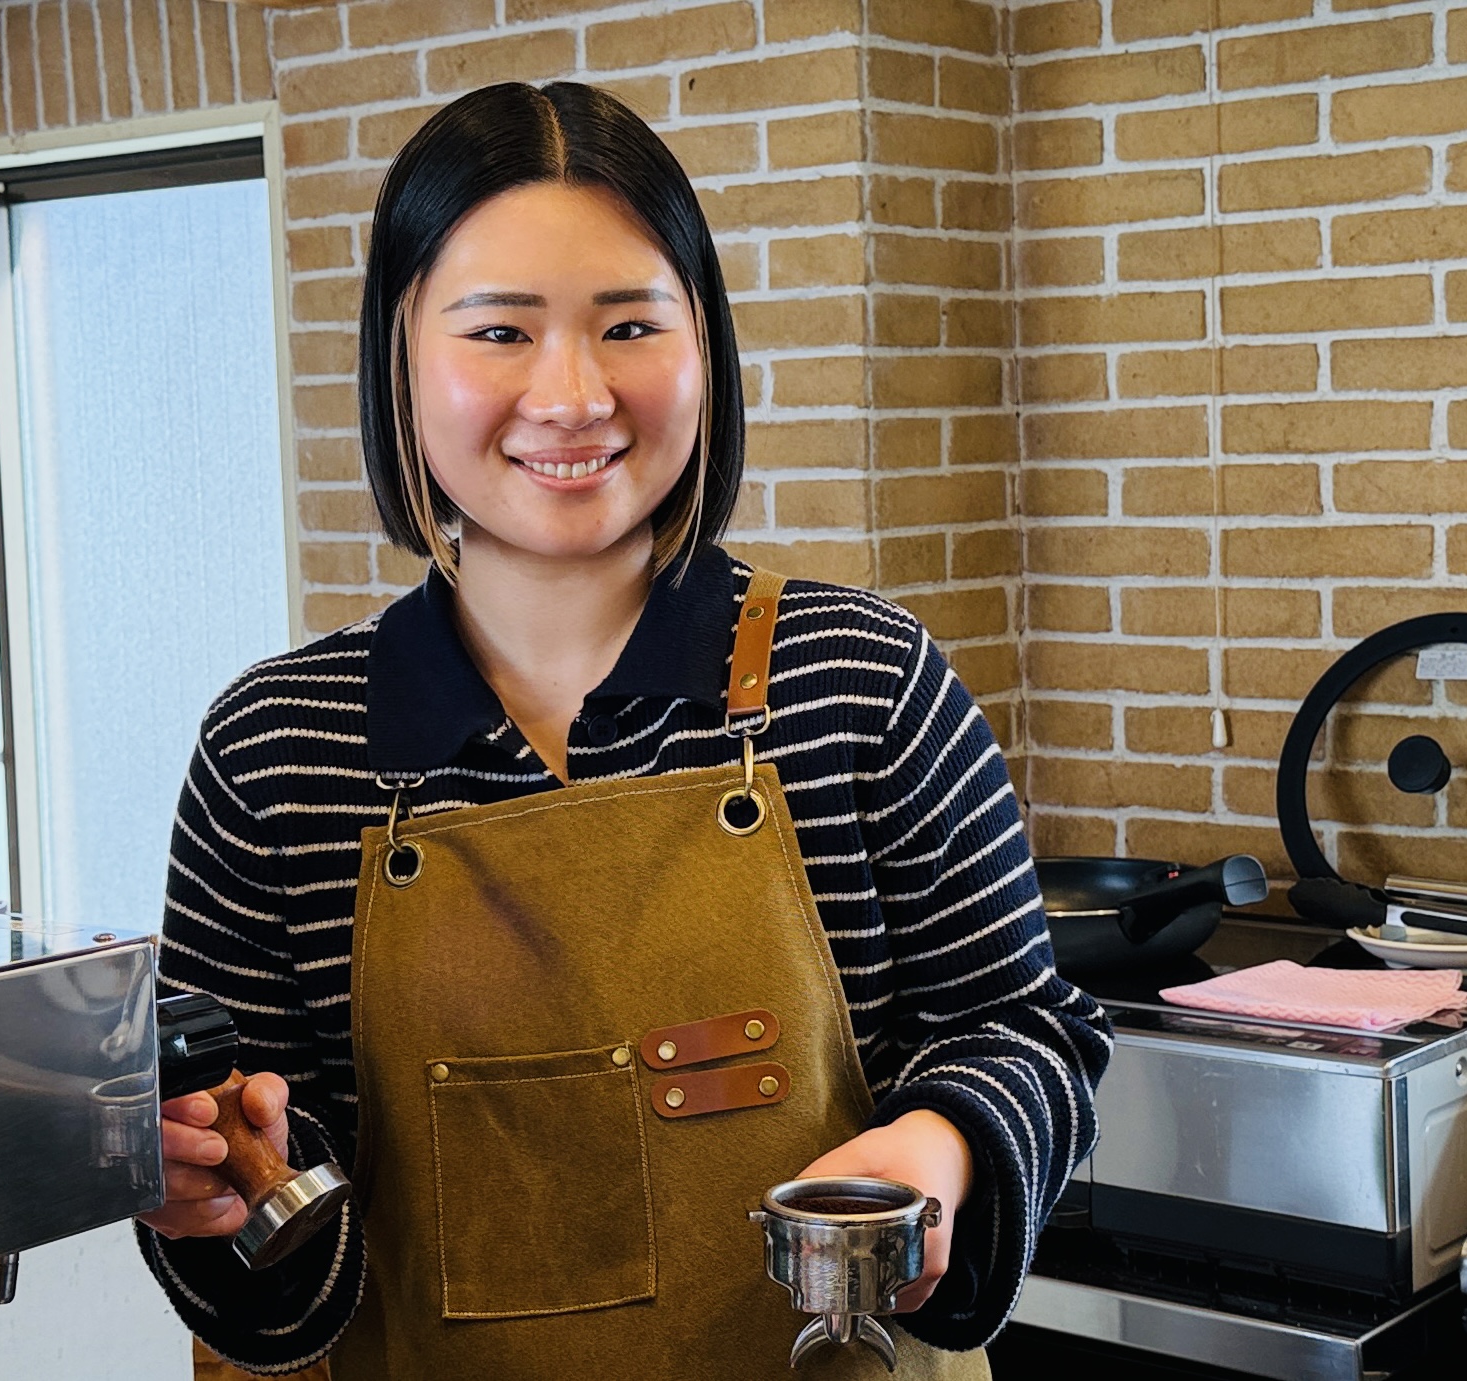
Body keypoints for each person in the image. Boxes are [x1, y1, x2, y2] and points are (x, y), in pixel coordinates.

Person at [135, 81, 1110, 1379]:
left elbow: (1029, 1033)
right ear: (398, 356)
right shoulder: (276, 751)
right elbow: (266, 1241)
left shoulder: (864, 683)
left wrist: (943, 1144)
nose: (572, 393)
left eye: (629, 324)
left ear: (703, 344)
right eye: (499, 331)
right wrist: (207, 1188)